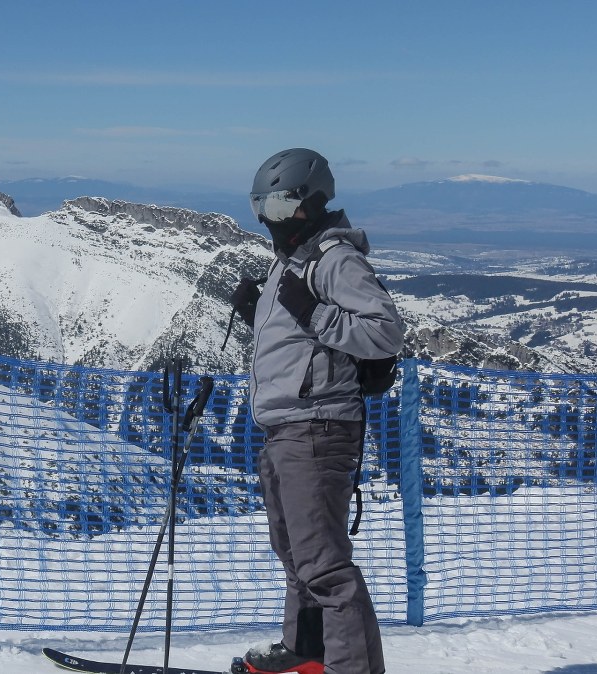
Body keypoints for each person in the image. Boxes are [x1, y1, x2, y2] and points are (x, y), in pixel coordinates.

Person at [228, 148, 405, 674]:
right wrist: (255, 313)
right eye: (261, 206)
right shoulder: (292, 260)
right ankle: (307, 646)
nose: (269, 218)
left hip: (318, 426)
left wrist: (313, 312)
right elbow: (301, 343)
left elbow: (385, 332)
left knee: (324, 566)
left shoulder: (333, 259)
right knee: (295, 554)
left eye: (280, 205)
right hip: (285, 425)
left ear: (312, 200)